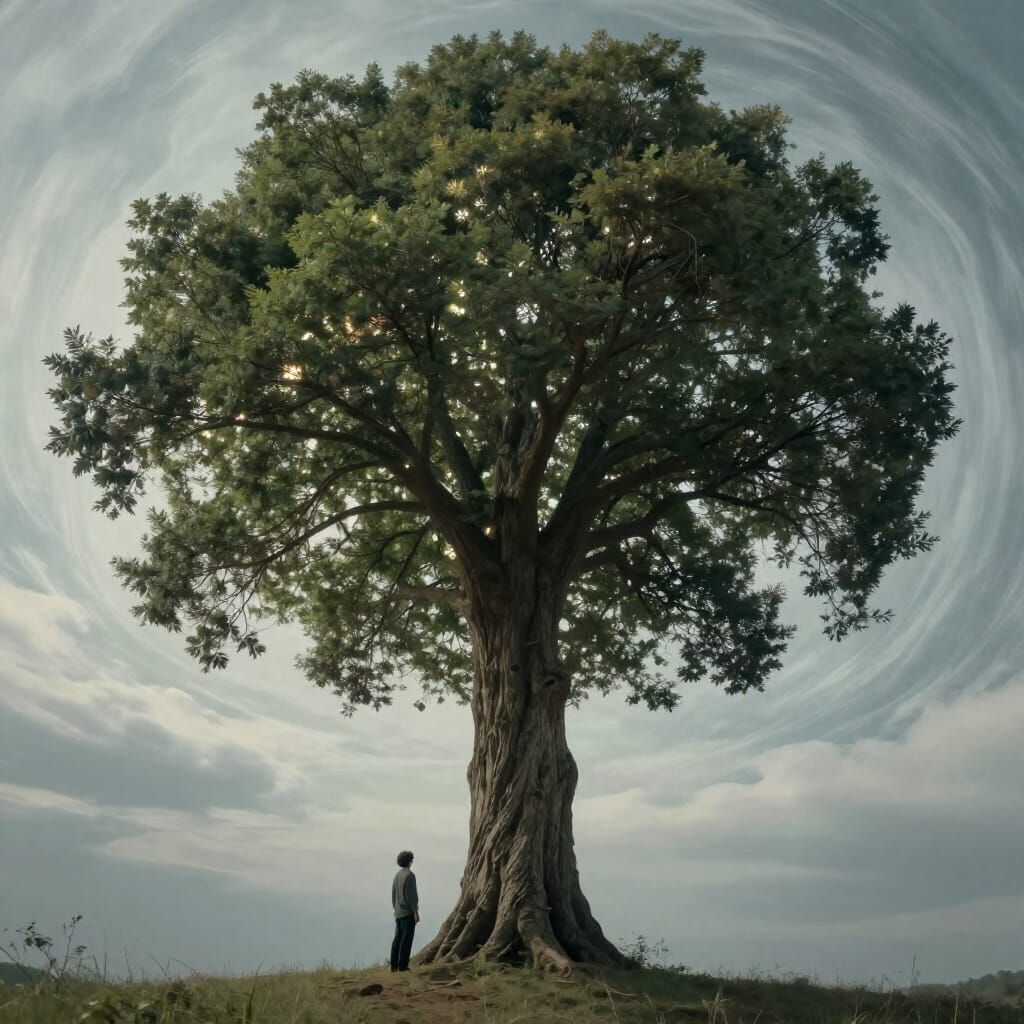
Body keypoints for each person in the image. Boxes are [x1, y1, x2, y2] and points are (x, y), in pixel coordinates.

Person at [390, 849, 419, 971]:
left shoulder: (397, 875)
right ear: (410, 861)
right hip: (407, 912)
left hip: (398, 912)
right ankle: (402, 966)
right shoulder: (410, 875)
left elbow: (393, 894)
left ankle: (394, 966)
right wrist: (415, 912)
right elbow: (412, 896)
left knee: (397, 939)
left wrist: (395, 908)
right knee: (406, 940)